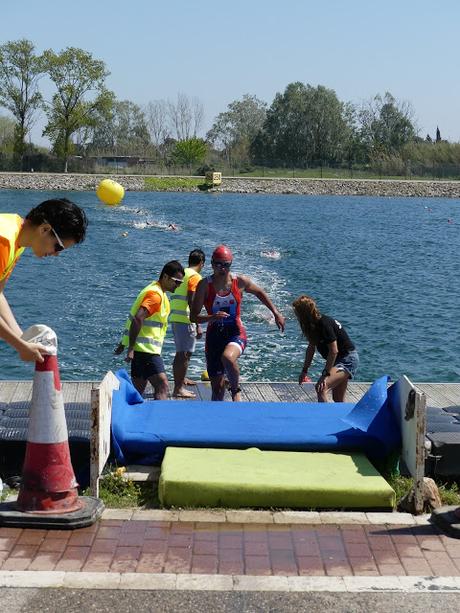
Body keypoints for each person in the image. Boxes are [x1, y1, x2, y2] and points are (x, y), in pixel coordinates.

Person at [190, 245, 285, 401]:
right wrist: (211, 317)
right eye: (218, 264)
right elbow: (193, 317)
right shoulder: (204, 285)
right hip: (214, 338)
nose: (222, 268)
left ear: (231, 264)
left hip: (236, 333)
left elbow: (260, 292)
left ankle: (235, 390)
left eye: (226, 265)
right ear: (212, 264)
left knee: (228, 357)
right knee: (218, 390)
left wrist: (276, 313)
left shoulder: (239, 282)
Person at [0, 198, 88, 363]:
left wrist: (22, 337)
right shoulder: (3, 242)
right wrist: (20, 345)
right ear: (45, 229)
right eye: (58, 247)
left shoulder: (15, 236)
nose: (56, 254)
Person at [115, 260, 185, 398]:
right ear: (165, 277)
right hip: (146, 351)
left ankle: (134, 418)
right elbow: (138, 318)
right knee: (162, 385)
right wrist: (130, 348)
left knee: (138, 392)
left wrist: (125, 344)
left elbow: (135, 319)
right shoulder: (155, 296)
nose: (178, 285)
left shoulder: (156, 291)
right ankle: (158, 419)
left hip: (141, 350)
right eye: (176, 281)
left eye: (180, 283)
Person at [292, 295, 359, 402]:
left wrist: (325, 375)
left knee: (321, 387)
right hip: (338, 361)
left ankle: (323, 418)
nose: (296, 317)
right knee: (338, 400)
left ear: (304, 313)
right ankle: (339, 417)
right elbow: (311, 349)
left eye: (297, 314)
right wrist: (304, 371)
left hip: (347, 359)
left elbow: (334, 351)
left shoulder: (324, 324)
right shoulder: (312, 326)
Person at [169, 249, 206, 398]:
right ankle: (178, 389)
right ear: (202, 263)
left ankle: (181, 379)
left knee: (182, 353)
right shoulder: (195, 277)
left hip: (176, 318)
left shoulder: (182, 273)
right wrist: (197, 323)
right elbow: (192, 300)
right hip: (186, 319)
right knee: (184, 354)